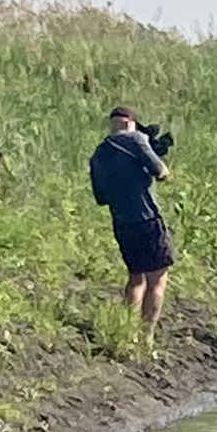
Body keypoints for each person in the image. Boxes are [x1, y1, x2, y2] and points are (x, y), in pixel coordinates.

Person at [89, 105, 172, 326]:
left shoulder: (98, 153)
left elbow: (101, 197)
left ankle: (128, 331)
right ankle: (147, 336)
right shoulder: (136, 139)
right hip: (148, 220)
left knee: (136, 278)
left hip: (122, 223)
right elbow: (162, 172)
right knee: (157, 280)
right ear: (129, 122)